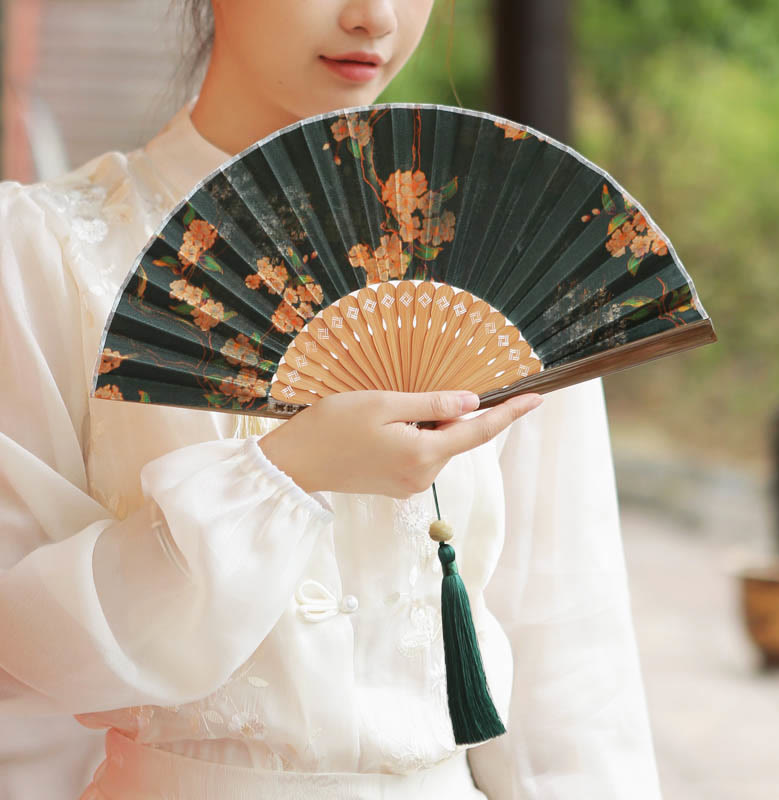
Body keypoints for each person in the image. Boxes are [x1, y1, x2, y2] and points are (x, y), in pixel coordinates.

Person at [0, 0, 663, 797]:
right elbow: (21, 661)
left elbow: (572, 672)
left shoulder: (510, 253)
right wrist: (283, 473)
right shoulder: (47, 252)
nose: (374, 16)